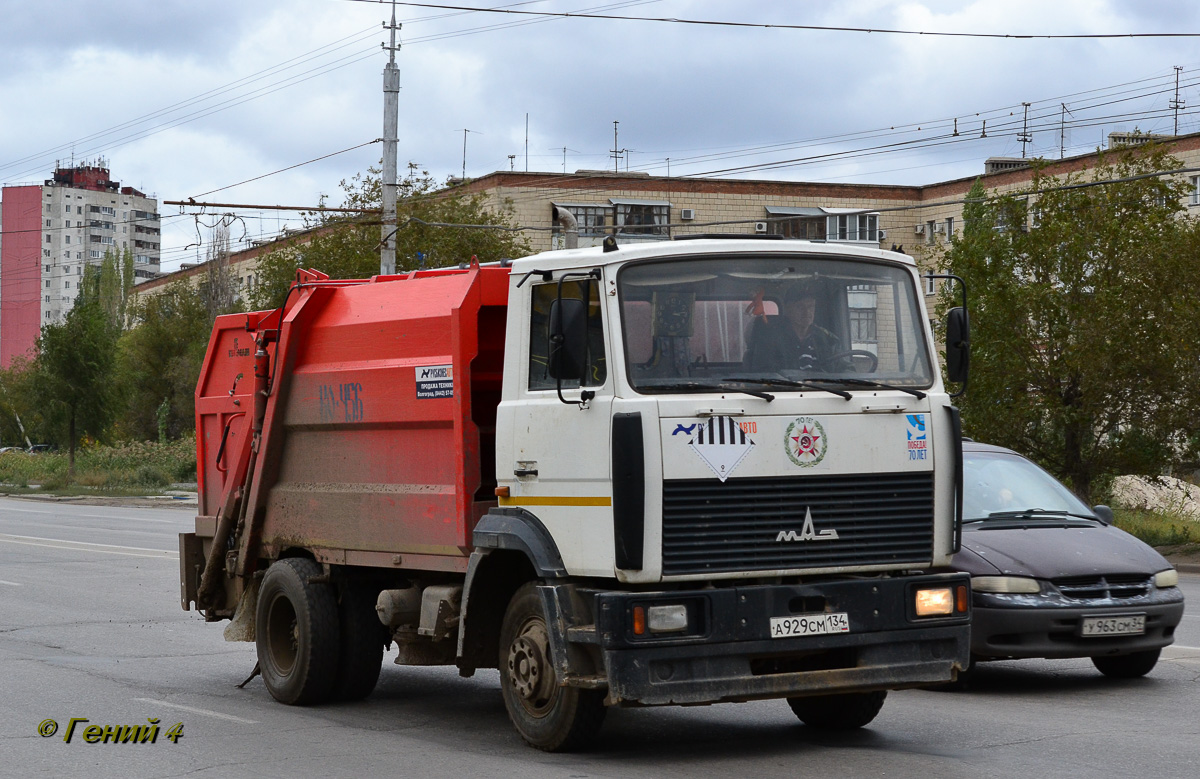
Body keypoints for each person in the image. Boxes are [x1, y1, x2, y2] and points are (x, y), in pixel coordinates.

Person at [744, 283, 844, 371]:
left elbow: (844, 367)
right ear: (788, 309)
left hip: (826, 391)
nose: (807, 312)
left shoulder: (826, 339)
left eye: (810, 306)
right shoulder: (770, 338)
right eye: (800, 307)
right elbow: (764, 373)